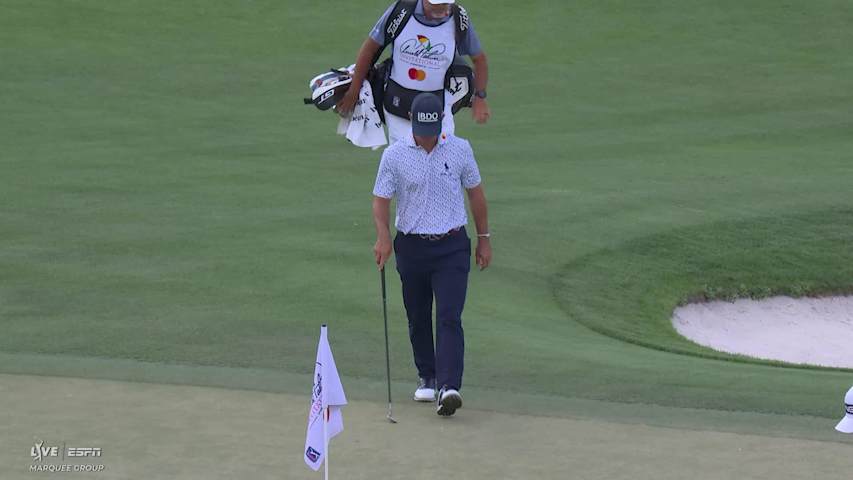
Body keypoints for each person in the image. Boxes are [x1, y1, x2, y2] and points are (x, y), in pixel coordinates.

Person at [371, 92, 491, 416]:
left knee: (449, 315)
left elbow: (476, 195)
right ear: (412, 123)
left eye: (434, 130)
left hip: (452, 245)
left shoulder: (459, 149)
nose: (428, 137)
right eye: (423, 131)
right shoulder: (394, 156)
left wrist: (484, 238)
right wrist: (383, 237)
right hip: (411, 246)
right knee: (417, 316)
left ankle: (449, 386)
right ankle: (428, 375)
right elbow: (381, 200)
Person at [337, 0, 490, 143]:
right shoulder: (401, 11)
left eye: (445, 6)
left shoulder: (458, 18)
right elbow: (369, 49)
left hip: (439, 108)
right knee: (405, 164)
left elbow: (479, 59)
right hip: (399, 107)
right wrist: (354, 90)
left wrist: (480, 97)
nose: (442, 12)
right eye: (436, 7)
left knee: (443, 164)